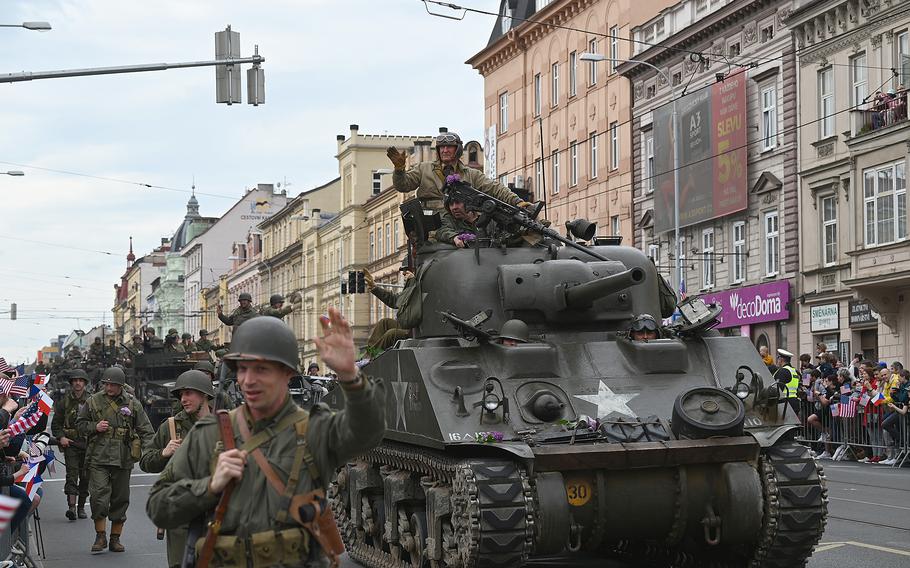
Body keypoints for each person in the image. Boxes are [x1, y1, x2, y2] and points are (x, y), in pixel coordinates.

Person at [147, 309, 386, 568]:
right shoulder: (209, 434)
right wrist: (210, 487)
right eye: (243, 369)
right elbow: (158, 506)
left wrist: (351, 377)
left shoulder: (315, 430)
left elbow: (368, 431)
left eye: (261, 369)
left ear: (286, 373)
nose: (248, 381)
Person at [76, 366, 155, 553]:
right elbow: (80, 424)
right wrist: (95, 426)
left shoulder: (132, 403)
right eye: (107, 384)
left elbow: (146, 429)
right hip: (98, 457)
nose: (109, 387)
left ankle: (115, 538)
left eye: (113, 385)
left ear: (121, 386)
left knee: (120, 499)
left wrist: (152, 451)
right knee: (98, 498)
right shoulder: (93, 401)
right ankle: (100, 536)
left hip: (123, 457)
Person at [140, 370, 214, 568]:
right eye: (181, 394)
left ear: (204, 394)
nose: (183, 399)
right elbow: (145, 461)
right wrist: (164, 453)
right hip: (182, 510)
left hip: (217, 510)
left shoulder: (224, 424)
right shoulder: (172, 426)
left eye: (189, 393)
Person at [388, 131, 528, 213]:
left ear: (458, 149)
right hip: (432, 230)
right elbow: (403, 186)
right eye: (441, 147)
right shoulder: (424, 169)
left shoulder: (470, 174)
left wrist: (518, 202)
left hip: (463, 227)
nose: (445, 150)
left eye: (449, 146)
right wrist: (399, 170)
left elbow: (495, 188)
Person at [51, 368, 91, 521]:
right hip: (71, 444)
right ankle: (72, 508)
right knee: (72, 476)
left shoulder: (93, 400)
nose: (77, 383)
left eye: (80, 380)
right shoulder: (64, 402)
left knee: (86, 477)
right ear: (71, 384)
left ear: (85, 383)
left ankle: (81, 507)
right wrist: (61, 437)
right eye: (75, 381)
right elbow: (56, 424)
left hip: (87, 444)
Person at [364, 262, 419, 351]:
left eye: (406, 270)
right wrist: (374, 287)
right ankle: (369, 353)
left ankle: (371, 357)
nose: (403, 273)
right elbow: (395, 300)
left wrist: (414, 282)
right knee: (384, 323)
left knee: (391, 334)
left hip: (416, 330)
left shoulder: (419, 283)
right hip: (407, 326)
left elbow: (416, 298)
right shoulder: (412, 284)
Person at [773, 349, 801, 415]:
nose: (777, 361)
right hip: (794, 401)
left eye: (778, 358)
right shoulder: (794, 371)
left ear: (781, 359)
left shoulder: (783, 371)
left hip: (785, 402)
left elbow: (778, 388)